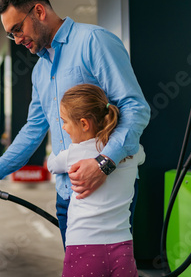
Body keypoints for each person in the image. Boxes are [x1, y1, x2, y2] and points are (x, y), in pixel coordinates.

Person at [0, 0, 150, 244]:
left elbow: (135, 108)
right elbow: (33, 130)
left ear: (39, 12)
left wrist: (104, 163)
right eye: (11, 35)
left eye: (17, 29)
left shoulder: (94, 41)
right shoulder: (40, 71)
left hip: (106, 189)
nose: (18, 40)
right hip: (66, 195)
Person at [48, 84, 144, 277]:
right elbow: (141, 156)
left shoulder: (73, 154)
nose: (64, 127)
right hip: (123, 248)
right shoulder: (133, 151)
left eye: (65, 122)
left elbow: (51, 164)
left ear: (84, 124)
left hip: (83, 250)